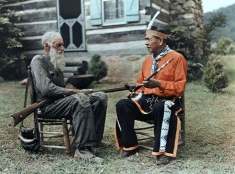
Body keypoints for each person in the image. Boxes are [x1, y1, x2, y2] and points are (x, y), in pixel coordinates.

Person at [30, 31, 108, 164]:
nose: (62, 48)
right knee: (80, 98)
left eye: (62, 45)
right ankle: (82, 150)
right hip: (47, 106)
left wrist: (76, 91)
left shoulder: (56, 65)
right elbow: (46, 89)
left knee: (100, 97)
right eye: (58, 45)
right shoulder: (38, 61)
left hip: (59, 103)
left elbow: (62, 89)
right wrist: (73, 92)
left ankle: (95, 140)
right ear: (47, 46)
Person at [114, 25, 187, 165]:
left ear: (160, 40)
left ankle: (163, 152)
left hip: (168, 102)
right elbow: (140, 84)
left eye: (149, 39)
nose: (146, 42)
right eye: (145, 39)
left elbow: (180, 88)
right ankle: (130, 145)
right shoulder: (148, 60)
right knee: (122, 104)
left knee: (161, 105)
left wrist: (160, 84)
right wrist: (136, 92)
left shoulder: (177, 58)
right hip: (146, 102)